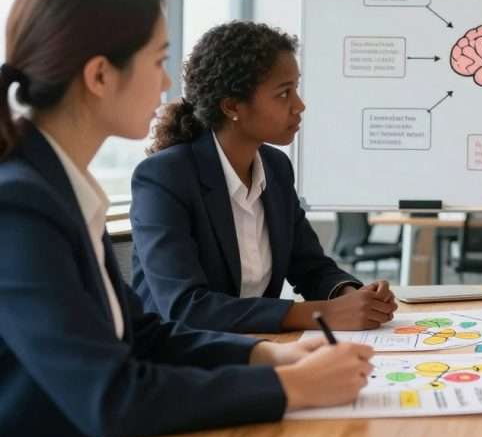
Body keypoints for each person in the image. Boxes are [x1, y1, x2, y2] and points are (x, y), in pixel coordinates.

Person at [0, 0, 375, 437]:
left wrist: (268, 355)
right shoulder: (21, 210)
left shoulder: (60, 189)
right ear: (99, 76)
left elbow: (144, 335)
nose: (164, 82)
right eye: (157, 61)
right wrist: (289, 386)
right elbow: (113, 399)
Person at [131, 21, 397, 333]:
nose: (299, 105)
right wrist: (322, 314)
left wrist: (351, 297)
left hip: (256, 349)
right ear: (232, 106)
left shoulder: (275, 167)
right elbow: (186, 308)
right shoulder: (164, 177)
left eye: (296, 89)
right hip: (179, 362)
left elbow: (311, 267)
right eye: (284, 93)